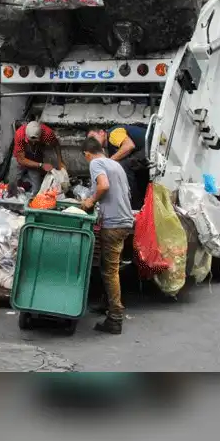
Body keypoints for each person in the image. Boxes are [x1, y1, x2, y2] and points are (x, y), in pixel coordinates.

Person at [80, 136, 133, 335]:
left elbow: (103, 186)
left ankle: (115, 318)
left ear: (87, 154)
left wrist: (90, 202)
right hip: (125, 221)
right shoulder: (115, 164)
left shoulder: (96, 163)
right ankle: (107, 303)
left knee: (110, 270)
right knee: (108, 266)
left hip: (114, 224)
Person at [88, 124, 149, 210]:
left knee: (124, 165)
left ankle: (133, 206)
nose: (93, 142)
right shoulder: (110, 147)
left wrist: (108, 161)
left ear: (101, 132)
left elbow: (129, 146)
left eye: (93, 137)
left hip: (148, 149)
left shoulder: (113, 133)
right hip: (144, 153)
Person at [13, 121, 65, 195]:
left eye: (36, 141)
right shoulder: (19, 134)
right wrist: (41, 165)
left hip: (35, 157)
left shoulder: (47, 133)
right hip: (20, 157)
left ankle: (26, 185)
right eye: (31, 141)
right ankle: (20, 185)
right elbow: (21, 160)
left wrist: (60, 162)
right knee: (13, 183)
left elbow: (56, 145)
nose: (33, 143)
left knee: (36, 190)